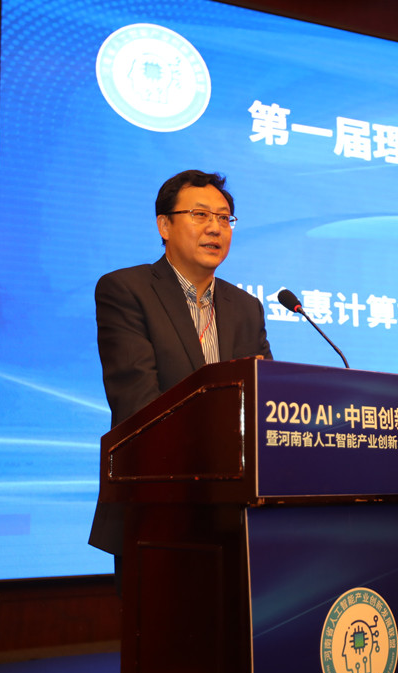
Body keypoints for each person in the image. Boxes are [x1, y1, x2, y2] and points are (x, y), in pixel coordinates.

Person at [89, 169, 272, 555]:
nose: (215, 228)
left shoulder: (246, 308)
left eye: (224, 218)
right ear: (165, 226)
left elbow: (264, 404)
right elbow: (138, 405)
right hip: (156, 513)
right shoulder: (126, 290)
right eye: (200, 215)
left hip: (237, 517)